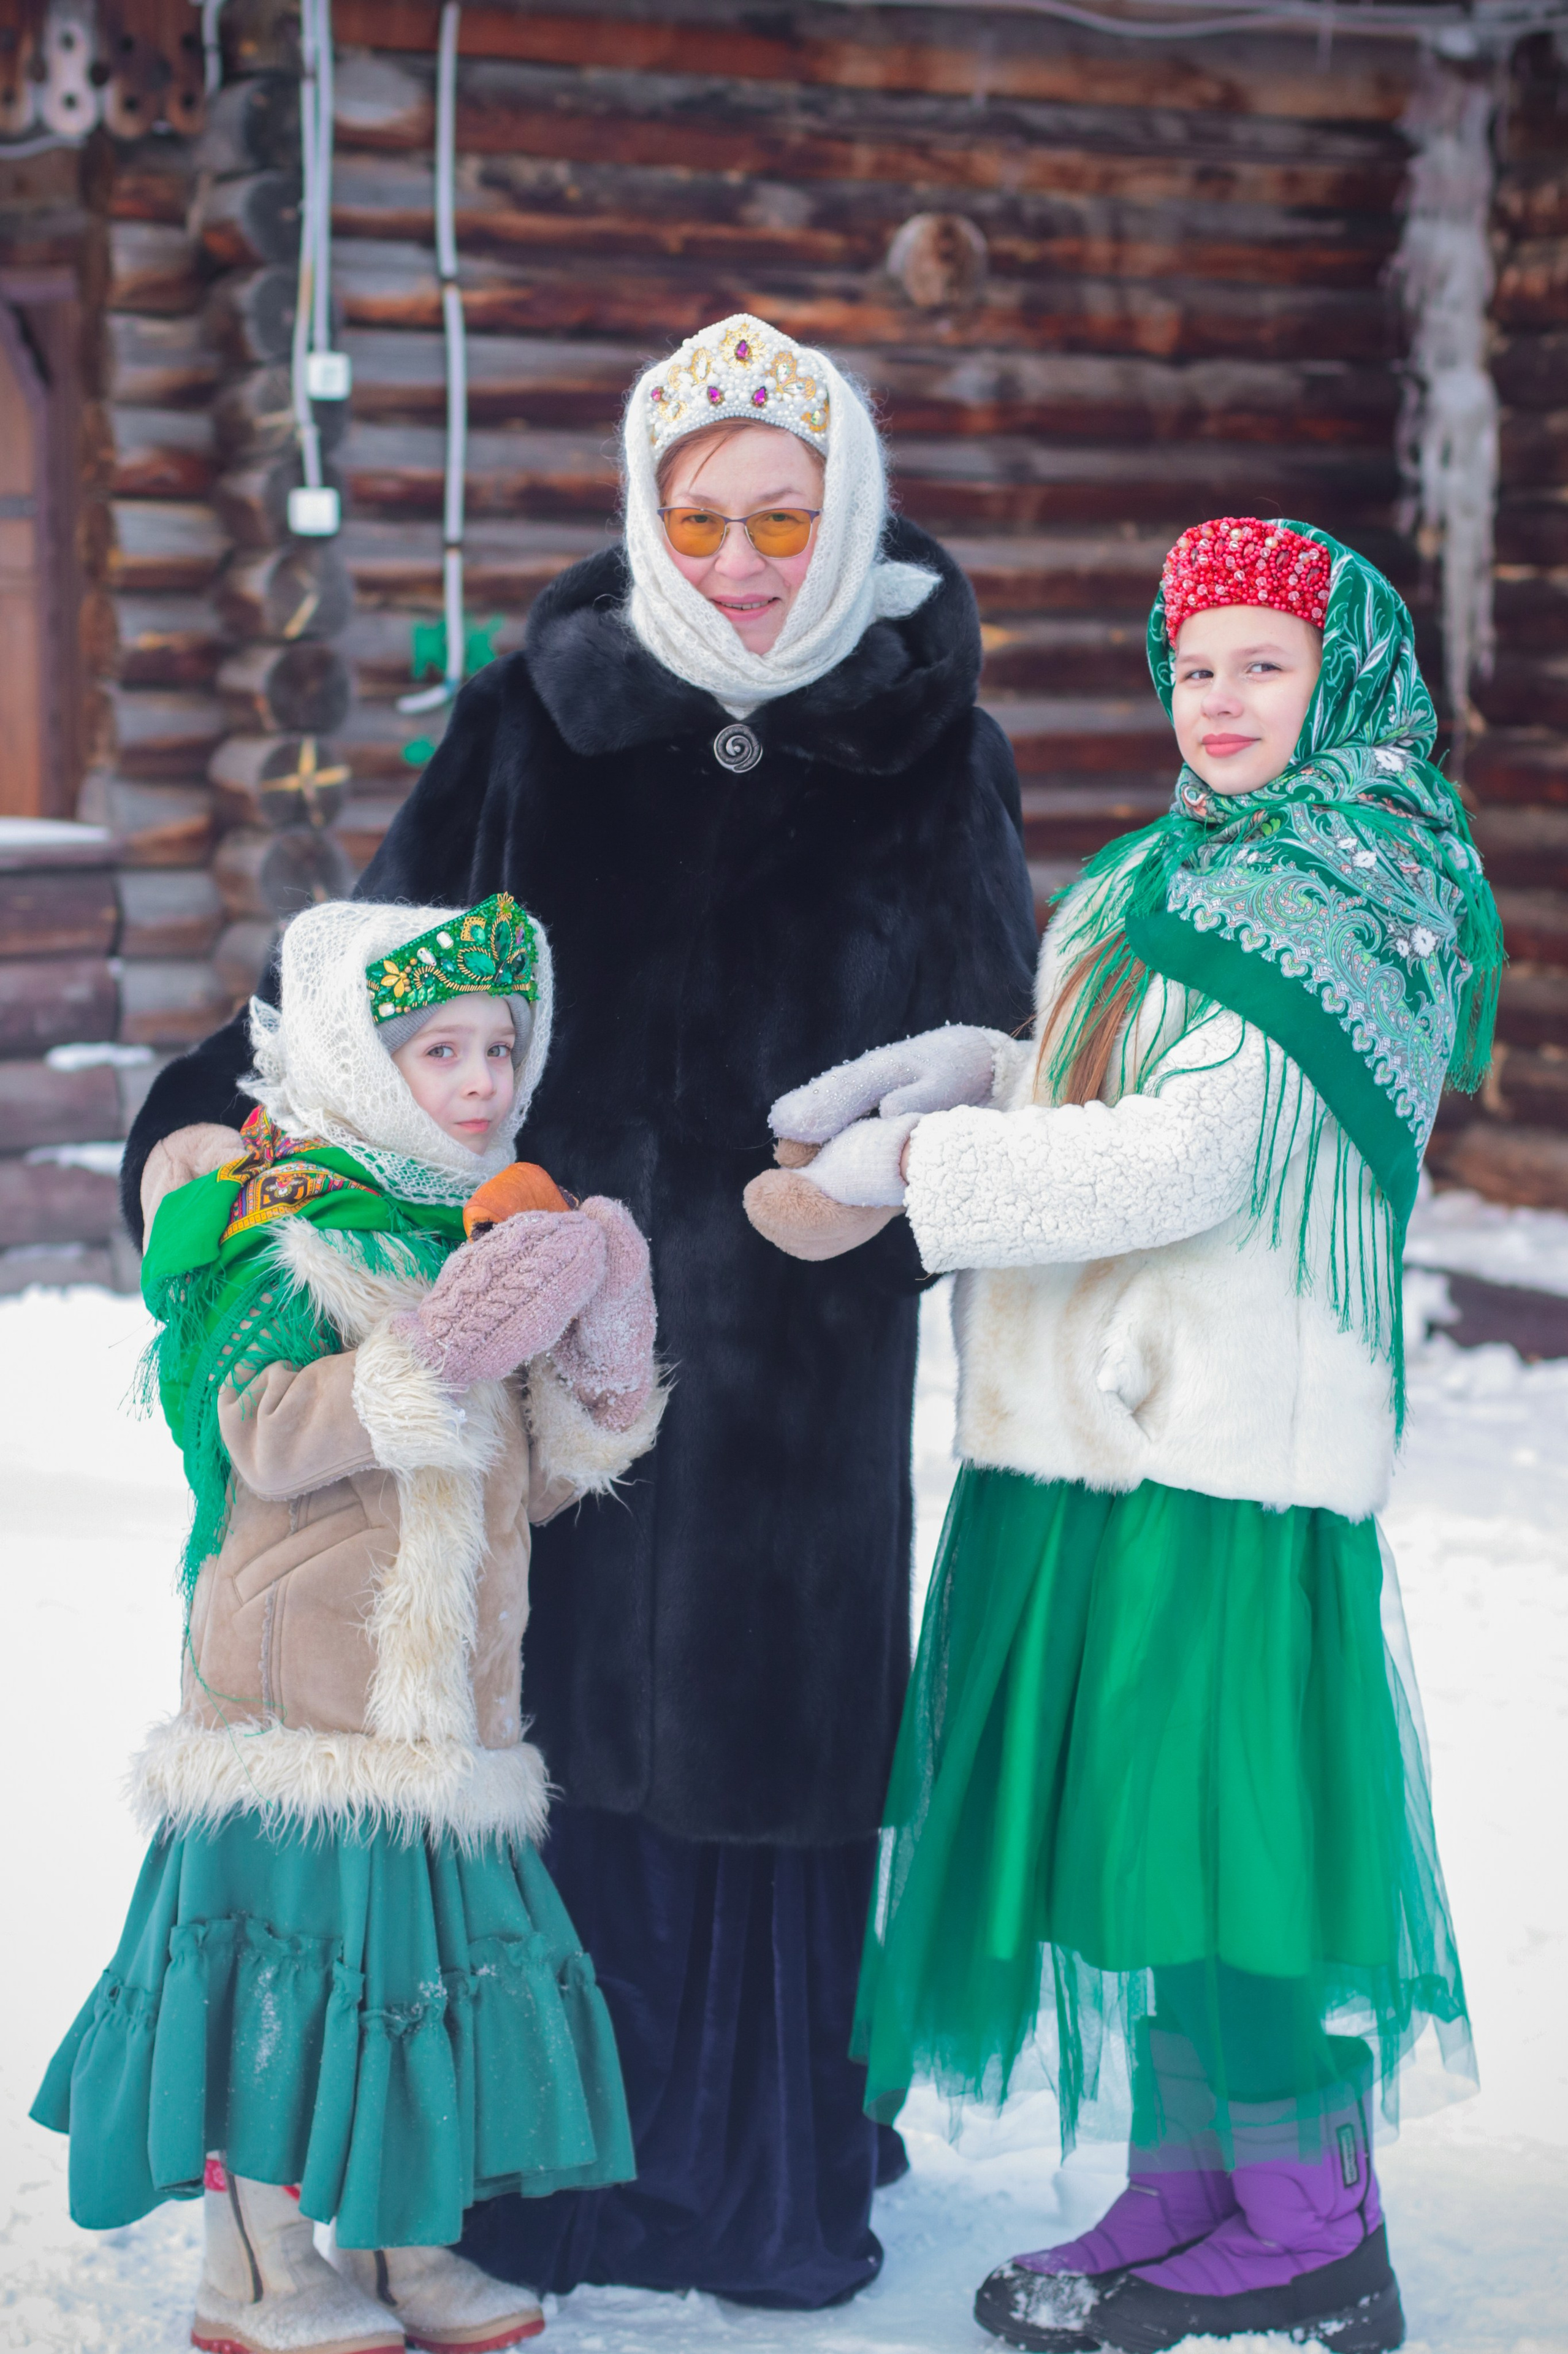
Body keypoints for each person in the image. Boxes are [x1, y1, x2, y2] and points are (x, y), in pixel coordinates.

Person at [118, 313, 1039, 2309]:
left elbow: (988, 1059)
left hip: (795, 1382)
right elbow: (356, 979)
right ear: (645, 515)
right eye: (698, 518)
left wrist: (892, 1181)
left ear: (849, 511)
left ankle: (752, 2175)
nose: (740, 560)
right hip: (527, 1344)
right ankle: (510, 2170)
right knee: (537, 1725)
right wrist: (201, 1120)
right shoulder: (542, 719)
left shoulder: (935, 753)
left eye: (783, 516)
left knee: (758, 1750)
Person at [760, 519, 1499, 2352]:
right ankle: (1192, 2186)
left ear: (1342, 681)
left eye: (1266, 665)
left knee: (1225, 1856)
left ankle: (1314, 2232)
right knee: (1144, 1849)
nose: (1220, 700)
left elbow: (1183, 1157)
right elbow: (1112, 1086)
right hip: (1104, 1442)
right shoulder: (1169, 870)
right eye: (1195, 665)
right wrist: (974, 1071)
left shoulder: (1351, 891)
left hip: (1225, 1463)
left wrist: (914, 1166)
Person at [36, 892, 663, 2354]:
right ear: (359, 1058)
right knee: (285, 1977)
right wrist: (429, 1348)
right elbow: (257, 1434)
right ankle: (252, 2267)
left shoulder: (487, 1222)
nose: (481, 1082)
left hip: (445, 1701)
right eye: (439, 1050)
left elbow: (524, 1484)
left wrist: (597, 1361)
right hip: (296, 1693)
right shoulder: (279, 1225)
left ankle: (399, 2246)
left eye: (501, 1048)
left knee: (417, 1979)